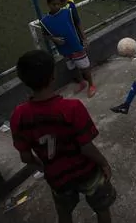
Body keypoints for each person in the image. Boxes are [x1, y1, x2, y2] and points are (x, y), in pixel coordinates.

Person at [11, 50, 116, 223]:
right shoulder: (72, 108)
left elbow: (25, 157)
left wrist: (46, 167)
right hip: (86, 171)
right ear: (53, 76)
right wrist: (103, 163)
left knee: (64, 213)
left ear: (23, 80)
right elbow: (86, 146)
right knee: (102, 207)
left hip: (57, 178)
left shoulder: (19, 115)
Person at [40, 0, 96, 98]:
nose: (56, 6)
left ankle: (91, 85)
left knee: (84, 67)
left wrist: (84, 39)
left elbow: (78, 24)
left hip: (76, 46)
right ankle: (81, 82)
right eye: (53, 4)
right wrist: (54, 39)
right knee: (72, 67)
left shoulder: (68, 12)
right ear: (48, 4)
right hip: (64, 50)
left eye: (58, 4)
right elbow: (45, 35)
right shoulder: (45, 21)